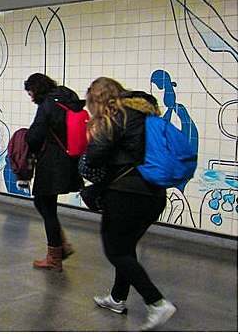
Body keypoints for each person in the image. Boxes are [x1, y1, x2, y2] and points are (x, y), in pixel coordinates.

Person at [83, 77, 176, 331]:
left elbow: (94, 156)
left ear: (100, 99)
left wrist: (94, 136)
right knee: (126, 248)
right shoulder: (147, 115)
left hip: (126, 194)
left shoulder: (118, 115)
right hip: (153, 194)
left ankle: (156, 302)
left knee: (116, 251)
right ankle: (117, 298)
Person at [23, 73, 83, 272]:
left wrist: (25, 137)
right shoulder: (68, 100)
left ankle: (55, 257)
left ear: (37, 89)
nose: (31, 98)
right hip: (69, 159)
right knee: (42, 203)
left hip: (51, 162)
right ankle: (61, 244)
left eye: (30, 93)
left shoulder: (47, 104)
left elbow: (34, 136)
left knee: (47, 208)